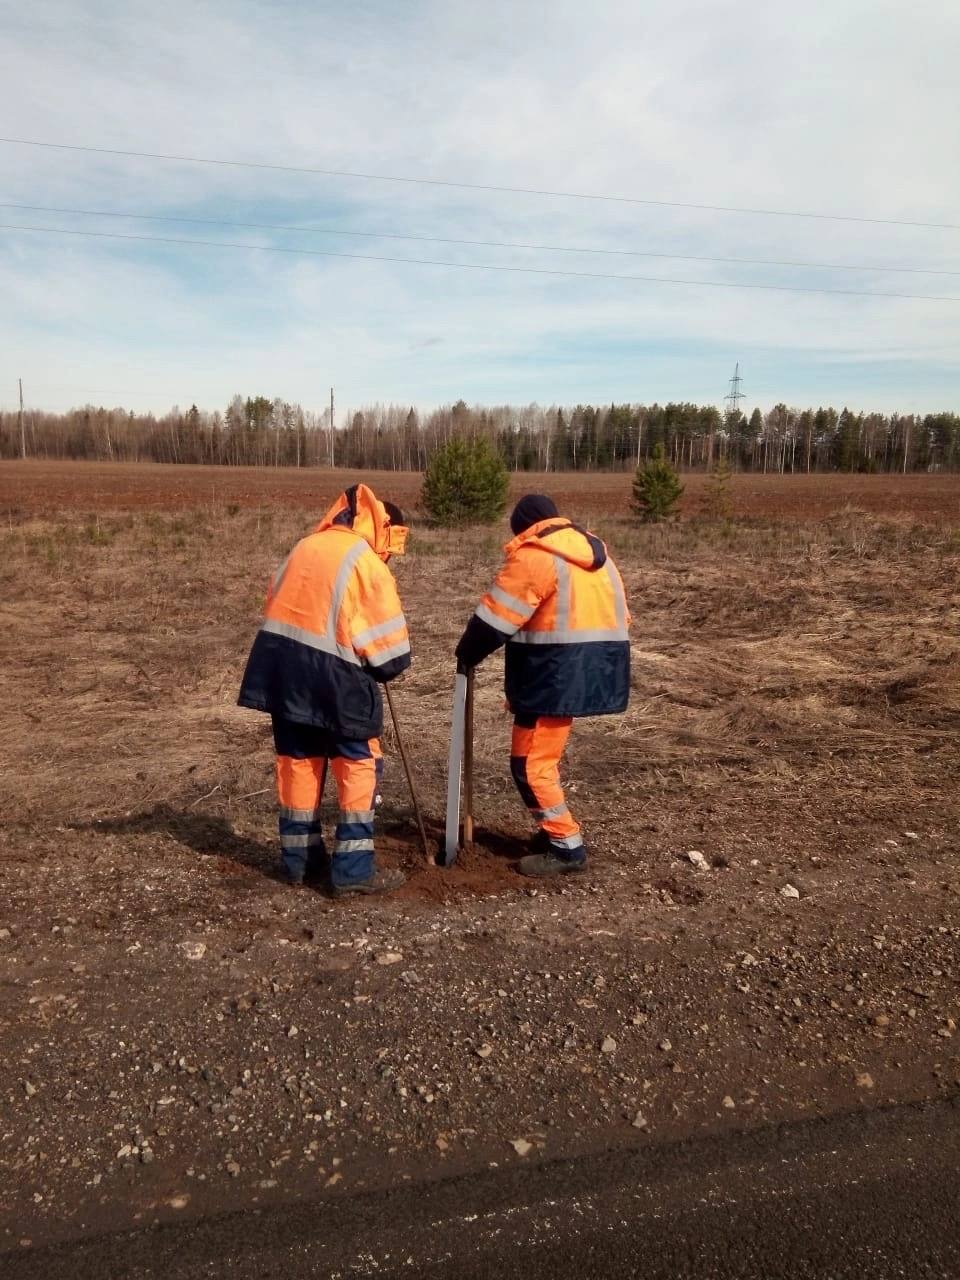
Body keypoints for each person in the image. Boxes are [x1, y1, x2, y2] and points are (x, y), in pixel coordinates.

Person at [238, 483, 411, 896]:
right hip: (337, 680)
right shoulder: (366, 562)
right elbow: (393, 657)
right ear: (384, 529)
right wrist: (381, 661)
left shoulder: (306, 545)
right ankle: (353, 871)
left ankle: (300, 862)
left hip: (281, 673)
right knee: (359, 762)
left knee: (299, 760)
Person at [455, 494, 630, 877]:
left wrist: (466, 653)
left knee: (531, 767)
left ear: (524, 527)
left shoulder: (536, 555)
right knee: (534, 761)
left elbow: (496, 619)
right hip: (589, 670)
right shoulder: (596, 553)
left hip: (553, 674)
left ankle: (567, 847)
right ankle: (554, 834)